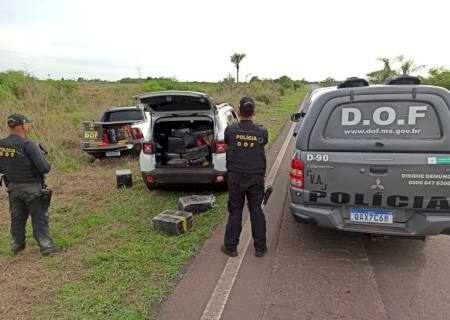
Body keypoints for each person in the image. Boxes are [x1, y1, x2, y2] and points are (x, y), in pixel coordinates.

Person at [0, 114, 61, 256]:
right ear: (22, 126)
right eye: (27, 124)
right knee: (39, 217)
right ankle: (47, 248)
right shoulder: (29, 145)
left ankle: (17, 246)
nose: (28, 127)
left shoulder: (1, 144)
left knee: (17, 218)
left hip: (13, 188)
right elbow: (45, 168)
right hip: (32, 188)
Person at [222, 97, 268, 258]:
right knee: (256, 210)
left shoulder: (230, 130)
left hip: (236, 177)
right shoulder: (262, 132)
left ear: (238, 111)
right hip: (255, 177)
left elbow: (228, 143)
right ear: (254, 112)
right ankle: (260, 248)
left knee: (235, 211)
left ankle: (230, 247)